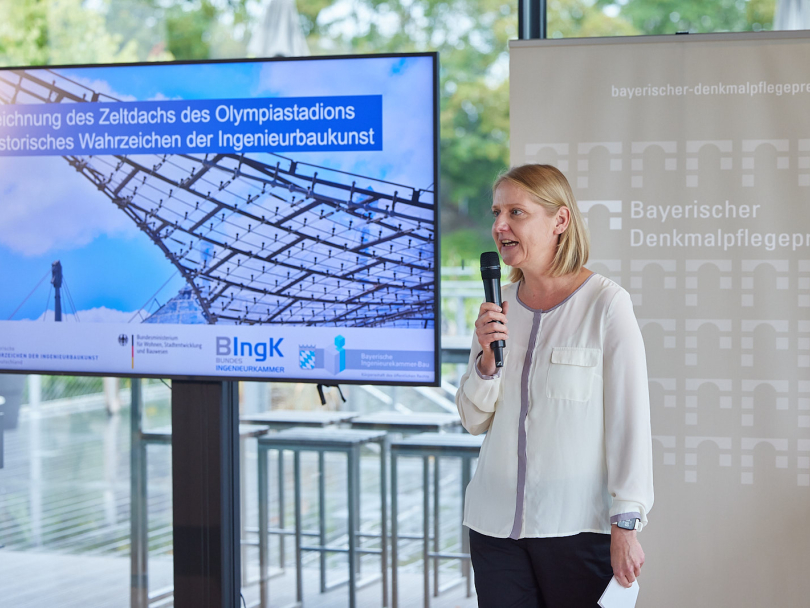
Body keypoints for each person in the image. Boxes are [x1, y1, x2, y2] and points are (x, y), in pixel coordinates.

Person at [456, 164, 654, 607]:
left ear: (560, 220)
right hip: (494, 528)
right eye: (496, 212)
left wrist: (626, 525)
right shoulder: (499, 308)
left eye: (516, 212)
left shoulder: (606, 304)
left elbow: (630, 423)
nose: (500, 226)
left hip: (577, 527)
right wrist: (486, 361)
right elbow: (472, 419)